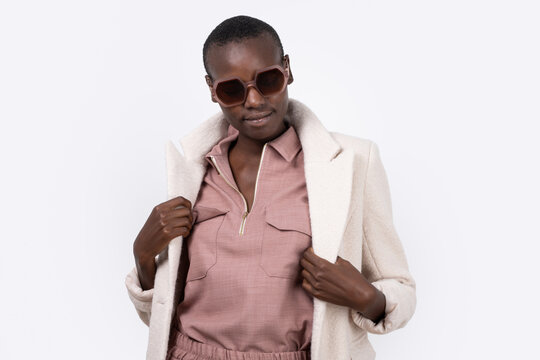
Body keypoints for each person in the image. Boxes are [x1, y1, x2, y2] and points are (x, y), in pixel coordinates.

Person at [125, 15, 416, 360]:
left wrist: (365, 297)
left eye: (268, 80)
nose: (253, 100)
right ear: (211, 89)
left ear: (287, 70)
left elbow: (402, 289)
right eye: (231, 89)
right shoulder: (193, 170)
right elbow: (161, 316)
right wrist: (143, 257)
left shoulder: (349, 164)